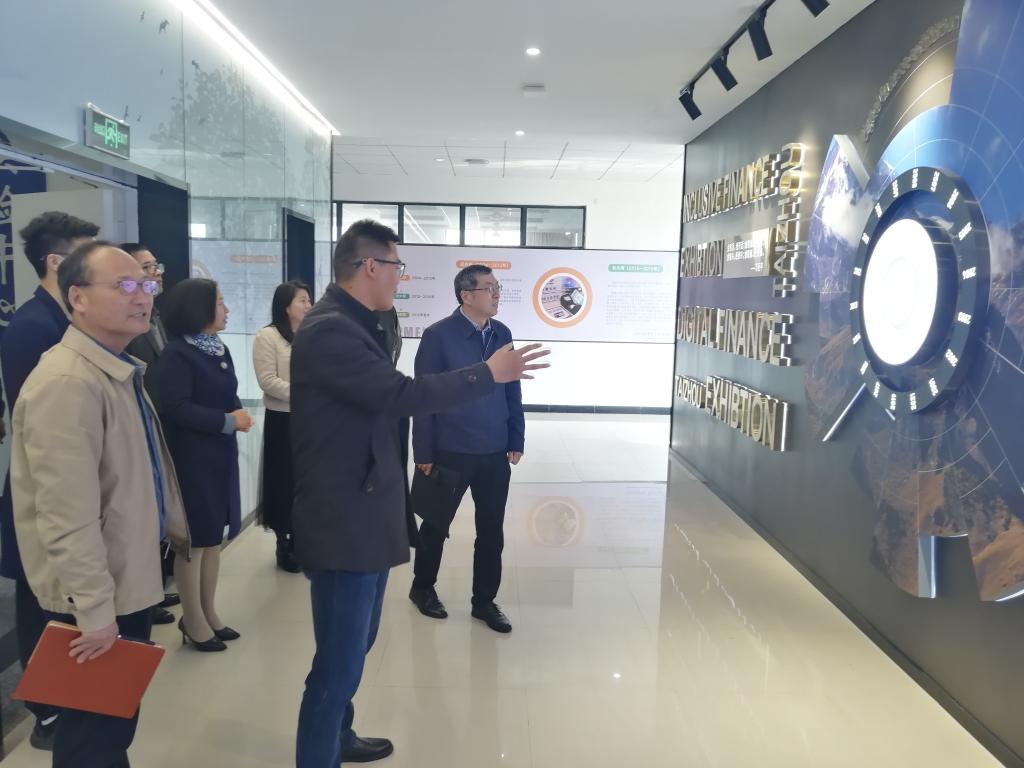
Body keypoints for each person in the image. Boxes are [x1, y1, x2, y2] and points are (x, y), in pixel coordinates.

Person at [291, 219, 549, 768]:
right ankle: (320, 753)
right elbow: (401, 395)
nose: (399, 278)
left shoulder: (359, 323)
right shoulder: (331, 329)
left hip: (366, 506)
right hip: (343, 516)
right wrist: (486, 374)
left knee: (355, 647)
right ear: (370, 266)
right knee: (338, 660)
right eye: (396, 267)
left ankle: (339, 734)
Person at [10, 241, 189, 766]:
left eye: (147, 284)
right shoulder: (68, 381)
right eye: (124, 285)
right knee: (92, 736)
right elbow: (65, 516)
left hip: (121, 580)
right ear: (78, 298)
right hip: (92, 596)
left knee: (111, 724)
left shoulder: (114, 369)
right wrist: (93, 610)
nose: (142, 296)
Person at [0, 211, 97, 750]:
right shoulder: (34, 327)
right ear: (57, 263)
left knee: (61, 601)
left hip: (68, 489)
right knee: (41, 602)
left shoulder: (65, 319)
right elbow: (42, 427)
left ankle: (67, 700)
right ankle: (46, 711)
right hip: (42, 492)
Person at [409, 264, 524, 633]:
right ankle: (422, 587)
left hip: (493, 450)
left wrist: (516, 437)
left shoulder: (502, 333)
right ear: (467, 295)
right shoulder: (438, 336)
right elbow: (423, 396)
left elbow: (512, 388)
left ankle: (484, 602)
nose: (497, 293)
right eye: (490, 287)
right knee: (435, 525)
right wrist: (423, 452)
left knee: (491, 530)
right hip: (451, 449)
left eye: (497, 286)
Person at [157, 278, 253, 652]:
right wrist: (227, 421)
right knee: (194, 543)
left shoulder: (216, 348)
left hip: (218, 454)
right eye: (220, 302)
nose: (226, 309)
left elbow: (225, 394)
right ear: (198, 308)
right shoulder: (177, 354)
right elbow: (175, 408)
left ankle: (208, 612)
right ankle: (193, 620)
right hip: (191, 459)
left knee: (213, 539)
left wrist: (236, 415)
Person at [121, 243, 179, 626]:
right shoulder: (126, 326)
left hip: (161, 425)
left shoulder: (157, 317)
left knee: (157, 512)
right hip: (140, 429)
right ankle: (144, 595)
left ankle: (154, 589)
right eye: (144, 268)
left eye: (154, 266)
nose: (153, 273)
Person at [253, 279, 312, 572]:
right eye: (302, 300)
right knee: (283, 482)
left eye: (309, 300)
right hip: (283, 419)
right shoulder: (268, 336)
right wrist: (307, 393)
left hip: (310, 419)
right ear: (286, 306)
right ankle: (283, 542)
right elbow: (268, 381)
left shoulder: (311, 335)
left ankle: (303, 539)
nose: (308, 305)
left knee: (307, 481)